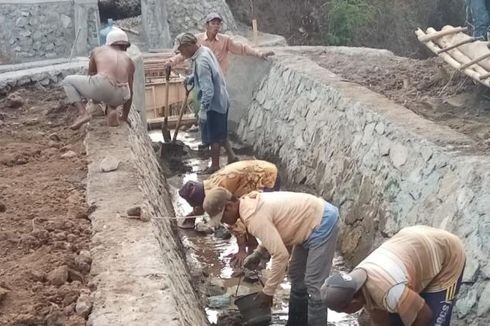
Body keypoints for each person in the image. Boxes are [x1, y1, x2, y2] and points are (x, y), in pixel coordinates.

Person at [203, 188, 340, 326]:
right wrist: (259, 253)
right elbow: (277, 231)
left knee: (314, 286)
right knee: (296, 276)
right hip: (306, 223)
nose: (225, 223)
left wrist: (268, 291)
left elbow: (281, 256)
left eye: (222, 218)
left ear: (229, 207)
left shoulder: (253, 216)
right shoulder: (248, 204)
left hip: (322, 221)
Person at [165, 12, 274, 157]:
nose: (216, 26)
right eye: (213, 23)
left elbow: (242, 48)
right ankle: (230, 155)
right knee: (217, 128)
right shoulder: (199, 44)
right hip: (208, 87)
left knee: (213, 131)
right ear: (207, 25)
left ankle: (213, 159)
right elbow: (183, 55)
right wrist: (176, 65)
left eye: (218, 23)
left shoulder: (221, 43)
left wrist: (259, 54)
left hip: (213, 91)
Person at [321, 225, 466, 326]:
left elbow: (424, 316)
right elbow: (379, 321)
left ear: (352, 305)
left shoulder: (390, 292)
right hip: (415, 243)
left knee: (433, 321)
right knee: (400, 316)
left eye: (343, 311)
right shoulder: (358, 281)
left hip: (446, 254)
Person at [178, 160, 280, 266]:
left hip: (266, 178)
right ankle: (254, 245)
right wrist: (192, 215)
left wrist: (241, 249)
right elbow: (205, 204)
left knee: (255, 214)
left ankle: (265, 250)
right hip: (260, 171)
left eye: (197, 205)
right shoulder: (207, 187)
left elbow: (235, 218)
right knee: (247, 211)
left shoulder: (218, 192)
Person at [174, 32, 232, 174]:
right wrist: (192, 77)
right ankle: (232, 156)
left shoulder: (201, 62)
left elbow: (208, 91)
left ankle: (214, 166)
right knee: (221, 132)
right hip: (222, 98)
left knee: (214, 138)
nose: (181, 53)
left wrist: (204, 110)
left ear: (189, 46)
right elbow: (208, 73)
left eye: (181, 50)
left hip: (214, 103)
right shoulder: (204, 51)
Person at [62, 28, 135, 130]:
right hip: (122, 94)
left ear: (109, 43)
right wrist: (125, 116)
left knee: (67, 81)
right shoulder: (129, 60)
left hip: (103, 84)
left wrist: (94, 99)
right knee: (112, 95)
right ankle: (112, 110)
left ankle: (83, 114)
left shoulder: (98, 50)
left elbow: (91, 74)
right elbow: (131, 91)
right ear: (125, 46)